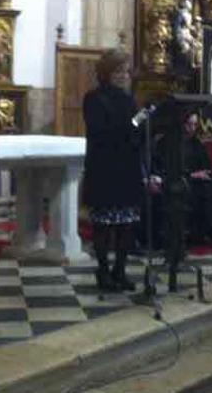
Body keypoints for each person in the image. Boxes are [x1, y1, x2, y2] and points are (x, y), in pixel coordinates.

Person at [83, 50, 143, 292]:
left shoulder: (128, 99)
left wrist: (143, 123)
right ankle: (103, 271)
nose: (123, 76)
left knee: (126, 225)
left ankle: (120, 269)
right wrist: (131, 125)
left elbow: (134, 131)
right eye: (118, 71)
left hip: (126, 168)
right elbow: (100, 131)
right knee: (104, 226)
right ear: (106, 73)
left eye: (126, 71)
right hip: (104, 168)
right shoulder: (94, 98)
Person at [153, 111, 212, 247]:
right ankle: (199, 234)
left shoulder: (195, 143)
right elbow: (163, 169)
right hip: (179, 182)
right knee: (208, 197)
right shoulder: (167, 143)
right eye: (189, 125)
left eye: (195, 125)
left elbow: (206, 165)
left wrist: (204, 173)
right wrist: (191, 175)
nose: (192, 129)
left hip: (199, 181)